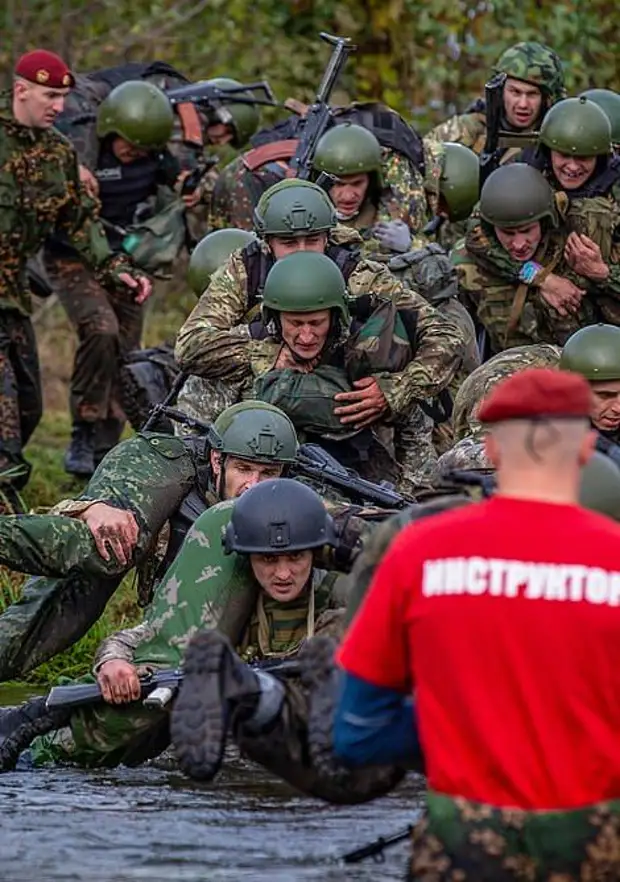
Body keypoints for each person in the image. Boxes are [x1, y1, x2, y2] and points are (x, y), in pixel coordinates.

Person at [335, 367, 620, 879]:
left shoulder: (418, 553)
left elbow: (357, 733)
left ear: (489, 450)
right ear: (585, 450)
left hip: (463, 834)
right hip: (597, 839)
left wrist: (464, 731)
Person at [0, 401, 299, 682]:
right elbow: (102, 522)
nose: (254, 486)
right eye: (244, 469)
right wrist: (94, 506)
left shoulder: (302, 494)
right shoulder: (168, 464)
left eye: (268, 474)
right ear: (217, 461)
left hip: (230, 646)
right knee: (109, 545)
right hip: (164, 630)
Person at [175, 178, 465, 433]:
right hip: (262, 389)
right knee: (201, 381)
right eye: (288, 243)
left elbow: (445, 334)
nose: (301, 252)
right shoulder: (246, 270)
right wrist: (266, 354)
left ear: (327, 238)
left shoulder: (359, 275)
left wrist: (396, 389)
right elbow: (191, 343)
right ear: (268, 243)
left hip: (344, 393)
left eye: (312, 241)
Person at [0, 50, 151, 506]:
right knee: (4, 416)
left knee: (29, 407)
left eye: (63, 97)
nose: (59, 107)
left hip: (13, 300)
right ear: (20, 90)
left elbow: (80, 226)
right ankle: (11, 517)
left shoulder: (58, 154)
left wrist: (116, 269)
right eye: (49, 95)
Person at [43, 79, 186, 476]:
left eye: (142, 148)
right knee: (101, 329)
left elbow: (182, 187)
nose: (132, 153)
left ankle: (105, 450)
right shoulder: (85, 151)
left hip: (126, 259)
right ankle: (83, 429)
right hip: (73, 257)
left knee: (127, 351)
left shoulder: (158, 160)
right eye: (127, 143)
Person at [455, 163, 605, 356]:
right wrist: (541, 278)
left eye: (527, 231)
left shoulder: (577, 251)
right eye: (508, 233)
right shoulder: (467, 263)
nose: (518, 244)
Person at [426, 41, 565, 157]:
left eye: (532, 94)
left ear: (547, 98)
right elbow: (421, 157)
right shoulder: (471, 127)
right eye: (515, 92)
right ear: (501, 90)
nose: (523, 104)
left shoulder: (556, 139)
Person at [311, 122, 430, 255]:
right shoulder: (310, 217)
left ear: (371, 181)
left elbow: (435, 265)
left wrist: (411, 246)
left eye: (357, 184)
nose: (348, 196)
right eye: (338, 184)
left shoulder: (392, 214)